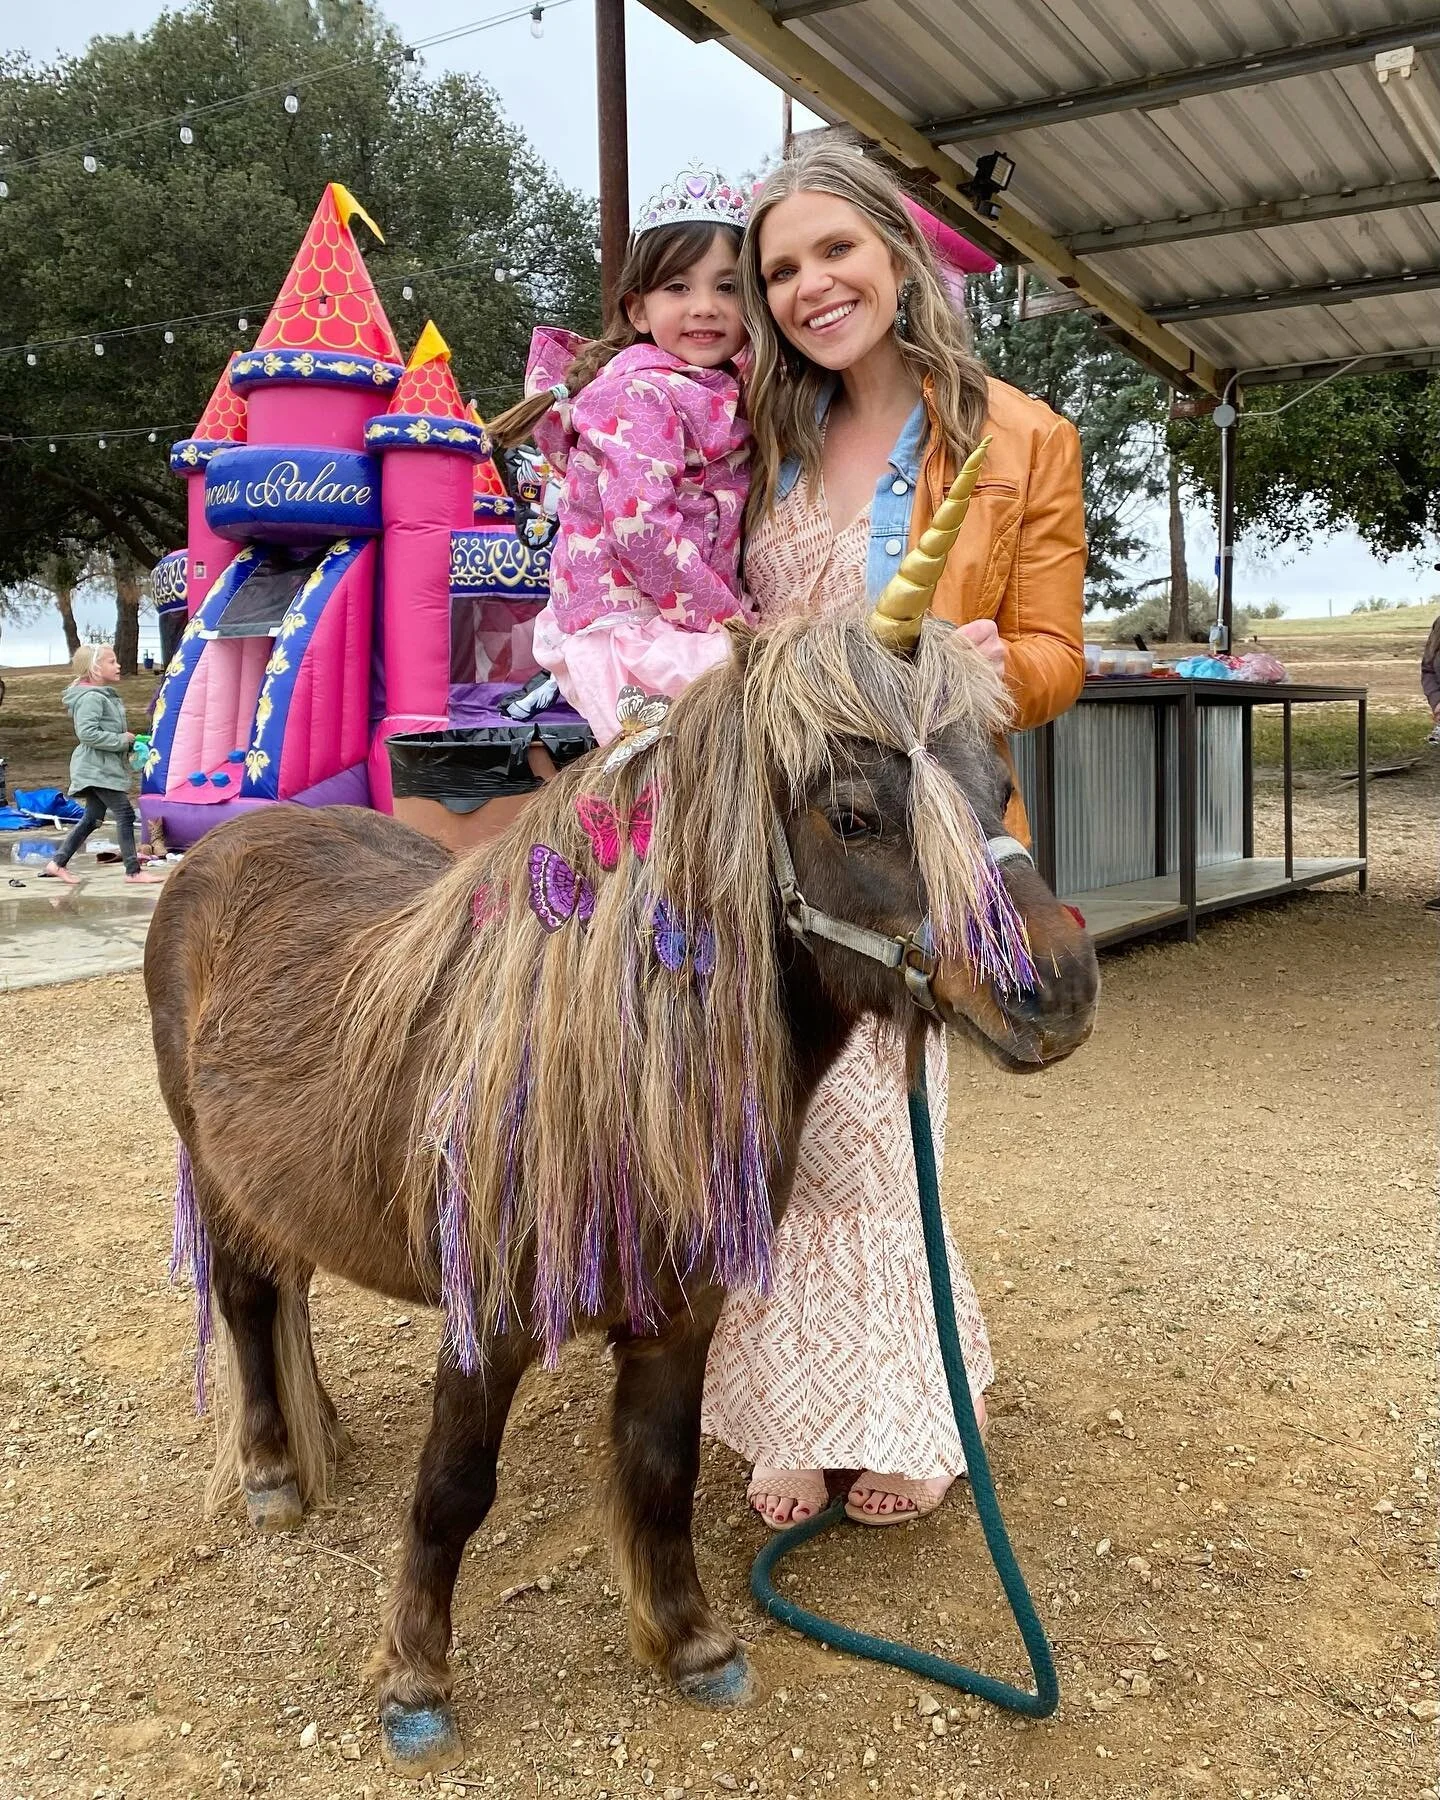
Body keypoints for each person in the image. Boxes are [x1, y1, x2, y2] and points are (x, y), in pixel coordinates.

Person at [700, 141, 1086, 1528]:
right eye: (781, 270)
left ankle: (905, 1400)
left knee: (874, 1123)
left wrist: (982, 667)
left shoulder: (1021, 438)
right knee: (763, 1117)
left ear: (897, 253)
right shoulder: (748, 438)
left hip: (907, 835)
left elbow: (1056, 656)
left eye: (833, 252)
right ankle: (781, 1403)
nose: (810, 287)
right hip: (759, 837)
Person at [489, 164, 752, 744]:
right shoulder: (639, 394)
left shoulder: (718, 391)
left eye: (727, 287)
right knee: (678, 782)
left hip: (669, 617)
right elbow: (640, 526)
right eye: (678, 287)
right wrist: (726, 619)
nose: (705, 306)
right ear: (637, 310)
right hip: (635, 626)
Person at [44, 644, 162, 887]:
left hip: (102, 768)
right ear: (95, 669)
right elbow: (87, 734)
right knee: (125, 814)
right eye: (111, 662)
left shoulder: (101, 696)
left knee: (92, 818)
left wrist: (129, 743)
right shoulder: (91, 698)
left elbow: (103, 732)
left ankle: (57, 863)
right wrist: (121, 740)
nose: (118, 665)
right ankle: (133, 871)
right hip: (95, 769)